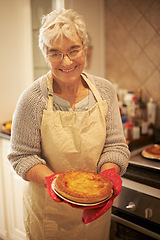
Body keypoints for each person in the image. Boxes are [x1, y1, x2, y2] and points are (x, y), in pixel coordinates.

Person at [8, 8, 130, 240]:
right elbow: (21, 156)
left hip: (96, 213)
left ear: (85, 49)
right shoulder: (33, 98)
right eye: (55, 53)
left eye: (73, 50)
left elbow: (115, 146)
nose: (66, 61)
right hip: (48, 217)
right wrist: (52, 182)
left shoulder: (104, 90)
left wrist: (108, 175)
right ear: (45, 55)